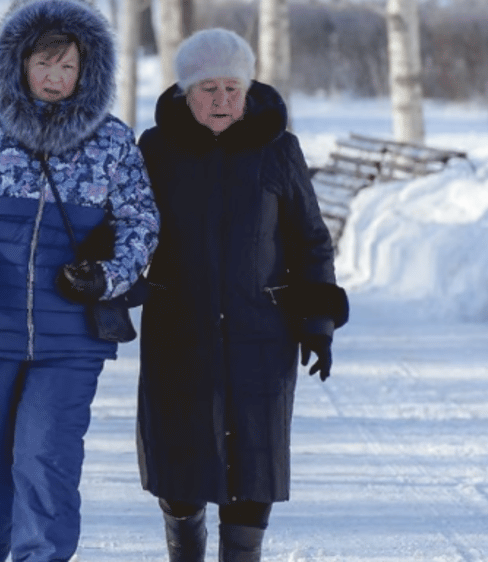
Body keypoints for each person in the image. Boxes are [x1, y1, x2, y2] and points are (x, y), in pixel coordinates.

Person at [0, 0, 159, 562]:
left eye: (68, 66)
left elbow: (140, 220)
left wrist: (107, 276)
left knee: (46, 457)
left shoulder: (111, 141)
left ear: (88, 71)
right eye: (44, 63)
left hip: (70, 338)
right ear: (19, 64)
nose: (55, 77)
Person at [135, 28, 350, 562]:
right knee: (180, 471)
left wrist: (317, 324)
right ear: (186, 93)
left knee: (253, 467)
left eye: (233, 88)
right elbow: (125, 230)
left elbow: (311, 241)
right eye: (208, 89)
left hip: (262, 336)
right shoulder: (157, 150)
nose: (223, 101)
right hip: (178, 333)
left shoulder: (278, 149)